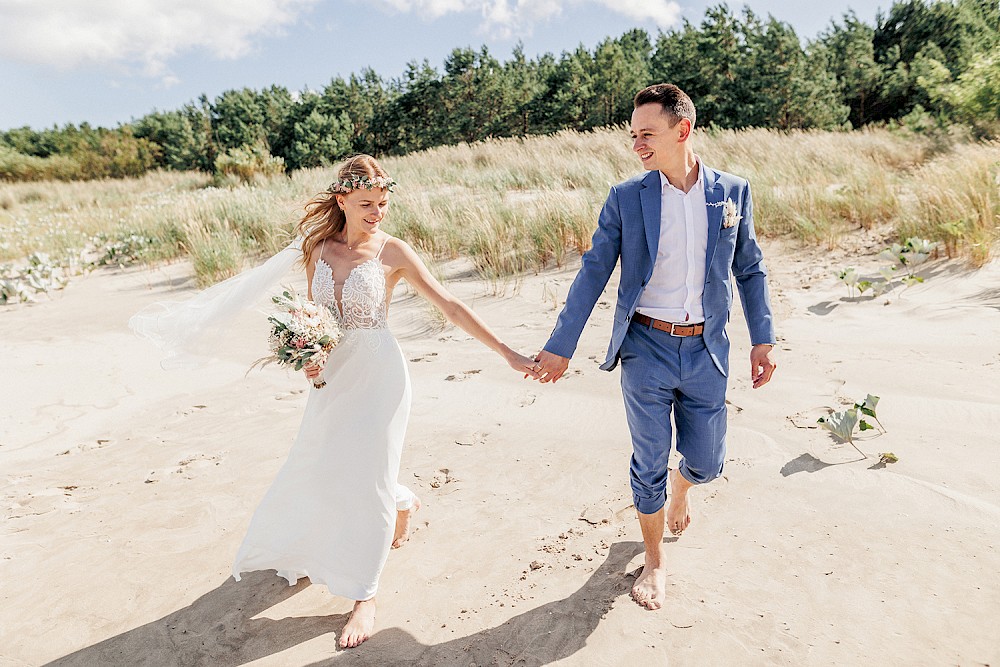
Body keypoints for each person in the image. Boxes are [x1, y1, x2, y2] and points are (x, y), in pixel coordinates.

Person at [134, 155, 538, 649]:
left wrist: (508, 353)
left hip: (381, 376)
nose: (377, 212)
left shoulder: (394, 252)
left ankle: (364, 594)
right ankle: (403, 501)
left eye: (383, 203)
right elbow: (312, 315)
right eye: (367, 203)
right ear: (342, 199)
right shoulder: (315, 250)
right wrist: (308, 352)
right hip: (332, 377)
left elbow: (450, 306)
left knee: (366, 474)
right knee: (328, 464)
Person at [530, 84, 777, 612]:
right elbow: (593, 272)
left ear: (681, 130)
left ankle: (683, 491)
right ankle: (654, 558)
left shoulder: (732, 192)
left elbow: (750, 268)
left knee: (707, 462)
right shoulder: (627, 197)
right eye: (633, 135)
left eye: (648, 134)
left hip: (708, 348)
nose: (637, 144)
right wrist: (560, 346)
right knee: (649, 459)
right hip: (645, 347)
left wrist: (763, 339)